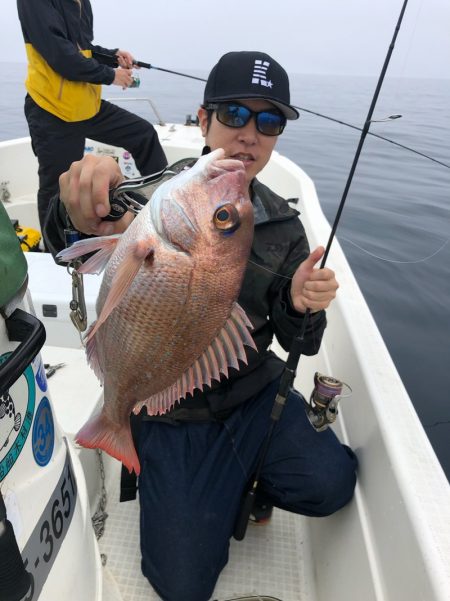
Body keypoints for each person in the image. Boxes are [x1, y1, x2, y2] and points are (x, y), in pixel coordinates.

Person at [45, 51, 357, 601]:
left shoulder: (284, 224)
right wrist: (77, 204)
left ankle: (236, 479)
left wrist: (304, 305)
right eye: (235, 114)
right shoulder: (154, 200)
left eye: (268, 121)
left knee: (333, 484)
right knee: (180, 586)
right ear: (203, 118)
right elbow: (70, 236)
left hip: (255, 396)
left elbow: (299, 343)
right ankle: (155, 459)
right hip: (172, 411)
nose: (249, 135)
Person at [16, 0, 167, 247]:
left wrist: (112, 56)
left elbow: (82, 49)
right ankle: (56, 252)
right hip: (53, 109)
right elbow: (59, 54)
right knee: (57, 188)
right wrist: (111, 75)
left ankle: (162, 209)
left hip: (86, 105)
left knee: (143, 135)